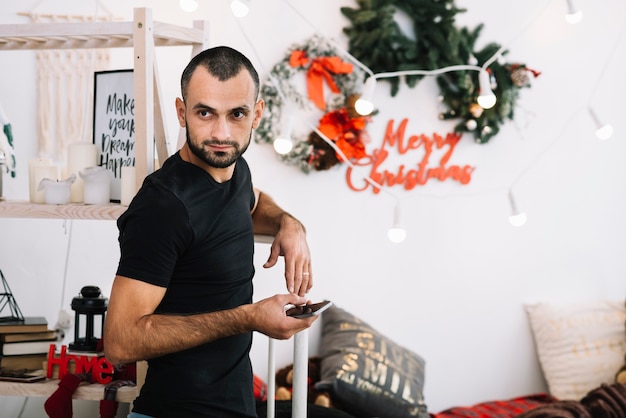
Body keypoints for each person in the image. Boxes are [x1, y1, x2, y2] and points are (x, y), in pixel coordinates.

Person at [103, 45, 317, 418]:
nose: (221, 133)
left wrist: (287, 222)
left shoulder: (235, 168)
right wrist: (250, 317)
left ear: (257, 114)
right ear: (182, 113)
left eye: (236, 114)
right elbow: (120, 343)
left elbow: (253, 202)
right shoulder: (163, 206)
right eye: (205, 113)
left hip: (235, 405)